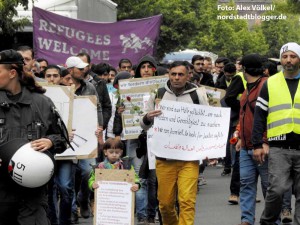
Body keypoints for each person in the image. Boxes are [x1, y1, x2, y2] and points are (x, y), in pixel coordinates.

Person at [0, 49, 67, 225]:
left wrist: (51, 141)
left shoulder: (42, 103)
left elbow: (62, 138)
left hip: (33, 193)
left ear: (12, 73)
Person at [141, 61, 209, 225]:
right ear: (169, 75)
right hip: (164, 159)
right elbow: (143, 125)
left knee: (186, 201)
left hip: (189, 158)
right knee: (165, 204)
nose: (176, 78)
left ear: (188, 76)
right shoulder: (157, 94)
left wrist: (208, 149)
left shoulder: (198, 95)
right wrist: (148, 117)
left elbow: (208, 122)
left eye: (180, 74)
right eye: (173, 74)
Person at [252, 42, 300, 225]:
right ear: (281, 59)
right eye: (285, 56)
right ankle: (267, 221)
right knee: (277, 189)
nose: (288, 60)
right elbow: (259, 116)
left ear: (299, 59)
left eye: (293, 56)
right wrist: (257, 144)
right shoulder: (270, 83)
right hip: (279, 147)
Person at [65, 56, 103, 220]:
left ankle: (84, 199)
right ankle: (73, 209)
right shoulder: (60, 87)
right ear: (70, 70)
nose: (83, 71)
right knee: (69, 176)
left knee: (88, 171)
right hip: (66, 138)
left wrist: (99, 130)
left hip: (87, 138)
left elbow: (98, 108)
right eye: (79, 69)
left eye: (84, 68)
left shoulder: (90, 87)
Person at [234, 54, 269, 225]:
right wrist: (239, 135)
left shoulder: (267, 86)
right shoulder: (247, 89)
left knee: (269, 188)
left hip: (261, 147)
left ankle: (271, 219)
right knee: (246, 185)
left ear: (244, 69)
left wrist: (264, 141)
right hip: (246, 147)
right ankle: (246, 220)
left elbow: (269, 118)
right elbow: (243, 115)